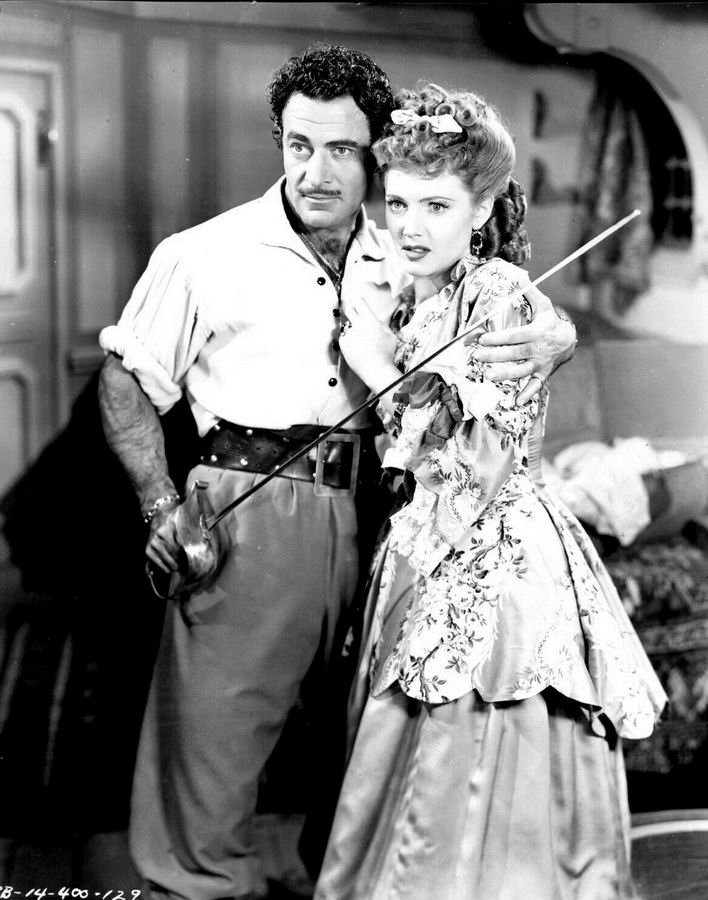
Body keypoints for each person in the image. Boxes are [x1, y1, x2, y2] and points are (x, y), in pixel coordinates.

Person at [97, 46, 577, 900]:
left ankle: (331, 881)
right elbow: (125, 379)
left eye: (342, 150)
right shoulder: (205, 253)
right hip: (247, 505)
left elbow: (498, 297)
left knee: (359, 737)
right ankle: (198, 885)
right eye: (298, 145)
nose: (316, 172)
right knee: (216, 733)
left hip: (378, 512)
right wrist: (160, 503)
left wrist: (559, 335)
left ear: (375, 153)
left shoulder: (407, 247)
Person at [314, 83, 667, 900]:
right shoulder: (419, 294)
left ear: (480, 211)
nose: (410, 225)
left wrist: (375, 366)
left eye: (436, 206)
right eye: (399, 203)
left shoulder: (499, 291)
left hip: (493, 554)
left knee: (469, 746)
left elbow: (474, 457)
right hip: (426, 539)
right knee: (407, 746)